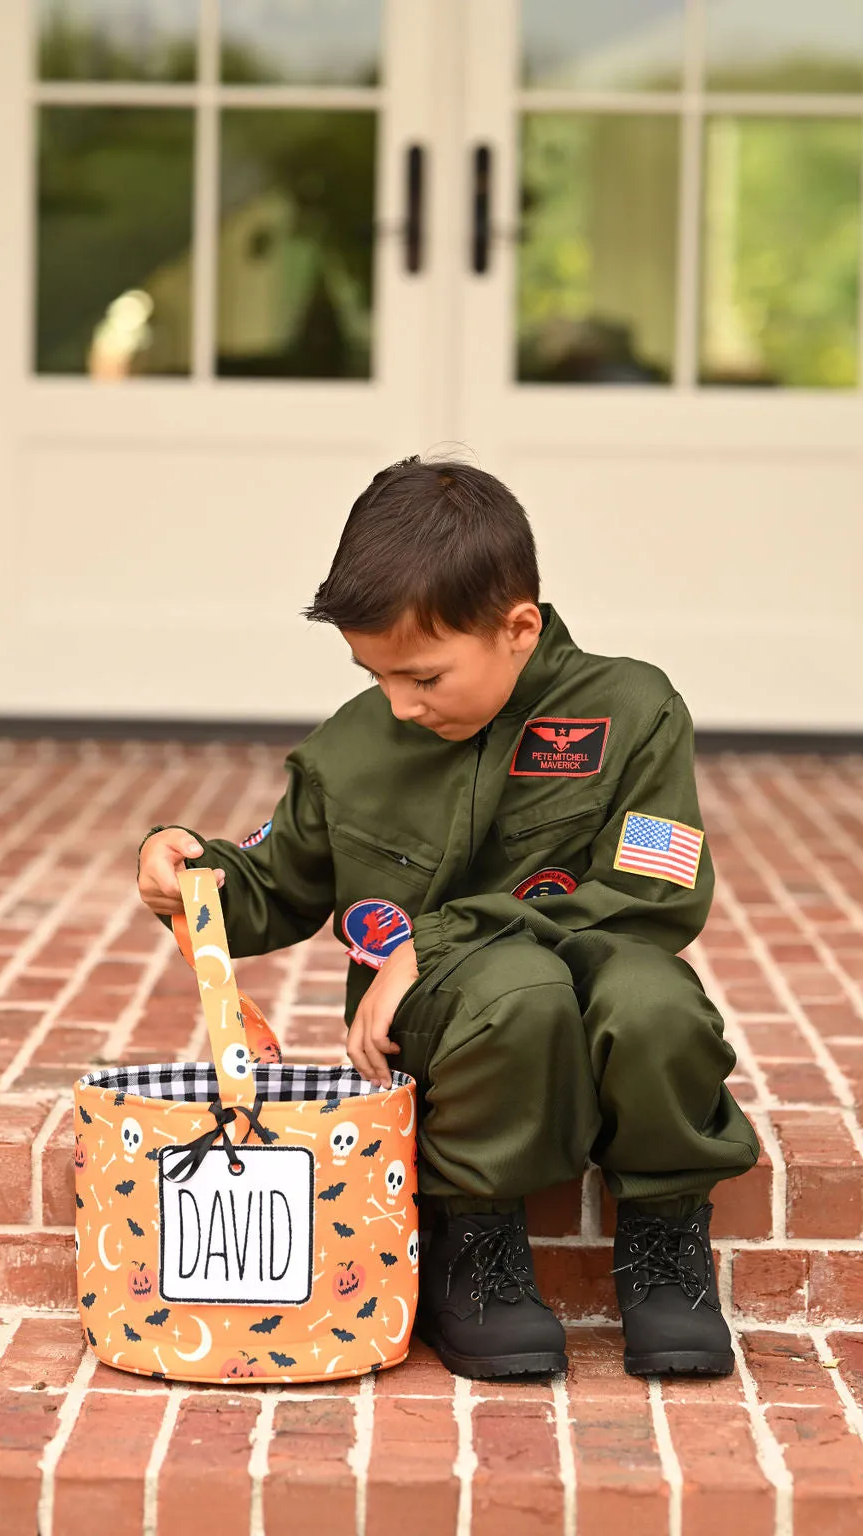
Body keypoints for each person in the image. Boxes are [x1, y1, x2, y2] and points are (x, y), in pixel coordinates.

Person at [137, 458, 759, 1380]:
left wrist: (431, 941)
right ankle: (477, 1242)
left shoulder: (632, 711)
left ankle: (664, 1240)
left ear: (518, 628)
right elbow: (275, 885)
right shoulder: (356, 746)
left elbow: (655, 895)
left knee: (653, 996)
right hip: (461, 1037)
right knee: (518, 989)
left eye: (423, 675)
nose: (398, 702)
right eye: (373, 672)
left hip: (587, 1005)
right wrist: (188, 866)